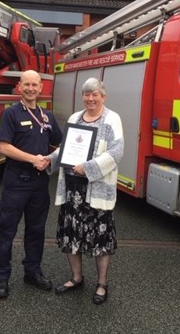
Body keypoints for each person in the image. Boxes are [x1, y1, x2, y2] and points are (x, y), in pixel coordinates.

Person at [46, 77, 124, 305]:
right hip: (72, 192)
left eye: (95, 94)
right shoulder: (74, 118)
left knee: (100, 239)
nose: (90, 98)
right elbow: (65, 148)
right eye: (86, 94)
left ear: (103, 96)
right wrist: (48, 159)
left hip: (96, 191)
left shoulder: (111, 119)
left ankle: (102, 283)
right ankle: (77, 277)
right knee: (72, 236)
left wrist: (87, 168)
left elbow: (117, 151)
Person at [0, 70, 63, 299]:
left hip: (40, 184)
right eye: (27, 84)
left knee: (36, 230)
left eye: (35, 85)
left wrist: (51, 159)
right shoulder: (10, 114)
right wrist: (34, 159)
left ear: (41, 88)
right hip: (16, 182)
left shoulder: (48, 117)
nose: (31, 88)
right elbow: (3, 147)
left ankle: (32, 272)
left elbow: (61, 144)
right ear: (19, 87)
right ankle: (1, 277)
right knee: (7, 231)